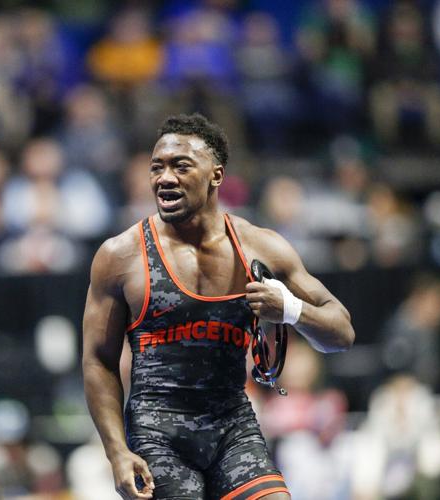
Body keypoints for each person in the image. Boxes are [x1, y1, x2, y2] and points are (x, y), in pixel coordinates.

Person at [82, 113, 355, 500]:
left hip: (233, 428)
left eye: (181, 166)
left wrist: (291, 309)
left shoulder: (260, 247)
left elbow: (341, 332)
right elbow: (98, 361)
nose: (165, 178)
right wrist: (116, 452)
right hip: (158, 436)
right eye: (156, 167)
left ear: (216, 176)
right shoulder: (121, 256)